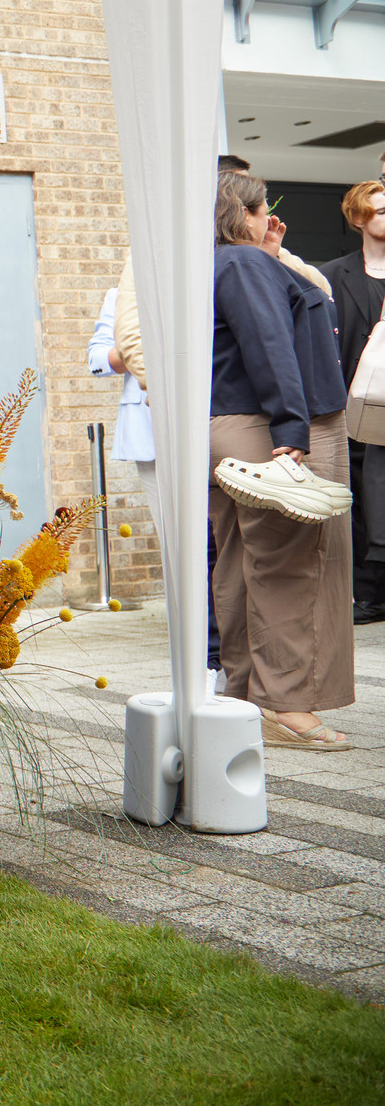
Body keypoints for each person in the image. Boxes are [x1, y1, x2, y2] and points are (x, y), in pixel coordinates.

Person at [207, 172, 356, 750]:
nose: (270, 215)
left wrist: (271, 257)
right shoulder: (245, 266)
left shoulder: (229, 264)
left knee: (244, 561)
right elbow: (270, 342)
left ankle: (247, 695)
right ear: (243, 212)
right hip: (270, 425)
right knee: (292, 563)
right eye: (263, 207)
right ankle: (288, 705)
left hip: (232, 421)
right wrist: (292, 430)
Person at [319, 182, 385, 624]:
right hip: (356, 404)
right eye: (381, 211)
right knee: (359, 495)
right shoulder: (332, 274)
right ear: (359, 218)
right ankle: (367, 592)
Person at [88, 284, 158, 534]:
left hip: (212, 422)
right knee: (172, 537)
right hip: (149, 431)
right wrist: (135, 347)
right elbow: (96, 360)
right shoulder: (121, 295)